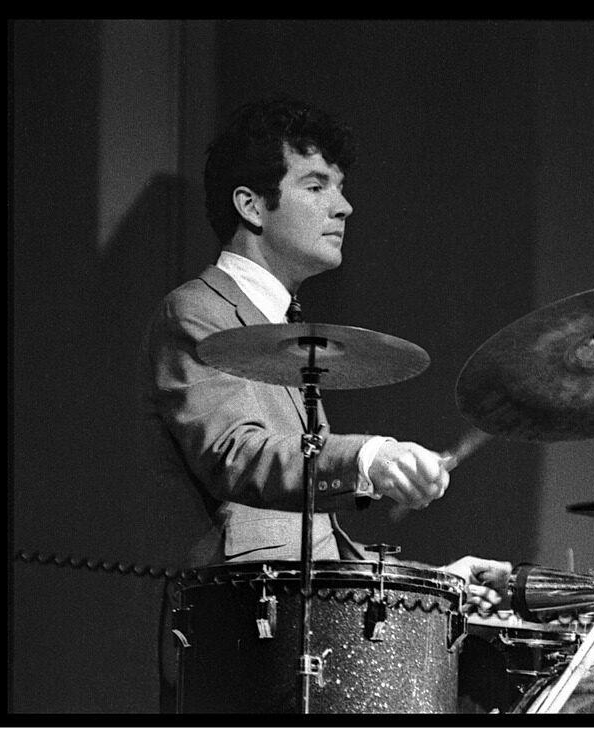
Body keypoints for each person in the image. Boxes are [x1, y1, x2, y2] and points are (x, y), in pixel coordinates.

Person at [138, 96, 511, 707]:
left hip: (296, 640)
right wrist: (367, 457)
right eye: (316, 186)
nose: (343, 206)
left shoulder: (282, 328)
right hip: (241, 646)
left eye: (339, 187)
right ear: (251, 205)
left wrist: (433, 589)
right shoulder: (198, 313)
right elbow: (238, 456)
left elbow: (310, 541)